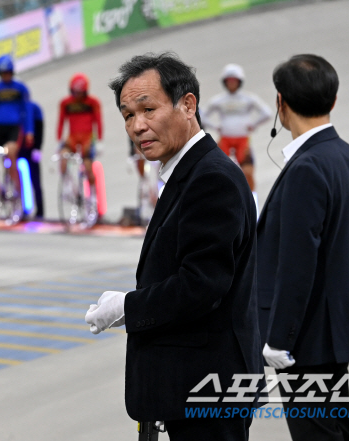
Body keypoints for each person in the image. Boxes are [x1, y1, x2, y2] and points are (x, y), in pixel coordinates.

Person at [85, 52, 263, 440]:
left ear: (188, 105)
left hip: (207, 389)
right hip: (192, 386)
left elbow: (202, 285)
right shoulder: (190, 172)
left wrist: (127, 307)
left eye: (148, 108)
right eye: (128, 115)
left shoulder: (210, 178)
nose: (138, 125)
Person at [257, 54, 349, 441]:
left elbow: (296, 263)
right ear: (332, 101)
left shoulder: (307, 168)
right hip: (334, 330)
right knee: (337, 430)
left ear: (281, 104)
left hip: (305, 340)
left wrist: (280, 339)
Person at [200, 63, 272, 191]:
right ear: (225, 82)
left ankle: (251, 196)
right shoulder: (218, 100)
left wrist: (254, 125)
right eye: (229, 81)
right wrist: (215, 126)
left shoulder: (248, 99)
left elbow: (267, 113)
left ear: (239, 82)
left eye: (234, 81)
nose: (231, 84)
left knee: (248, 171)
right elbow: (202, 116)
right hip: (225, 141)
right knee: (218, 169)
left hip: (243, 141)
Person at [0, 55, 33, 199]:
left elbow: (27, 111)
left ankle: (18, 189)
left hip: (14, 128)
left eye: (8, 73)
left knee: (10, 153)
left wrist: (29, 131)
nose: (6, 76)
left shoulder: (20, 88)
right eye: (3, 73)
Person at [56, 73, 103, 211]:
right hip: (72, 137)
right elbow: (61, 122)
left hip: (87, 138)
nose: (77, 97)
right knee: (63, 157)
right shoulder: (66, 103)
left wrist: (99, 141)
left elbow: (98, 122)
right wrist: (59, 141)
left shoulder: (93, 103)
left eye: (80, 93)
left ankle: (93, 195)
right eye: (75, 93)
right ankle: (67, 187)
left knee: (88, 167)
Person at [17, 100, 44, 219]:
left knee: (36, 181)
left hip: (31, 149)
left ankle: (40, 212)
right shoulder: (12, 109)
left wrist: (38, 148)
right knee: (19, 181)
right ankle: (23, 209)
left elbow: (39, 128)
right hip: (18, 149)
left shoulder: (34, 108)